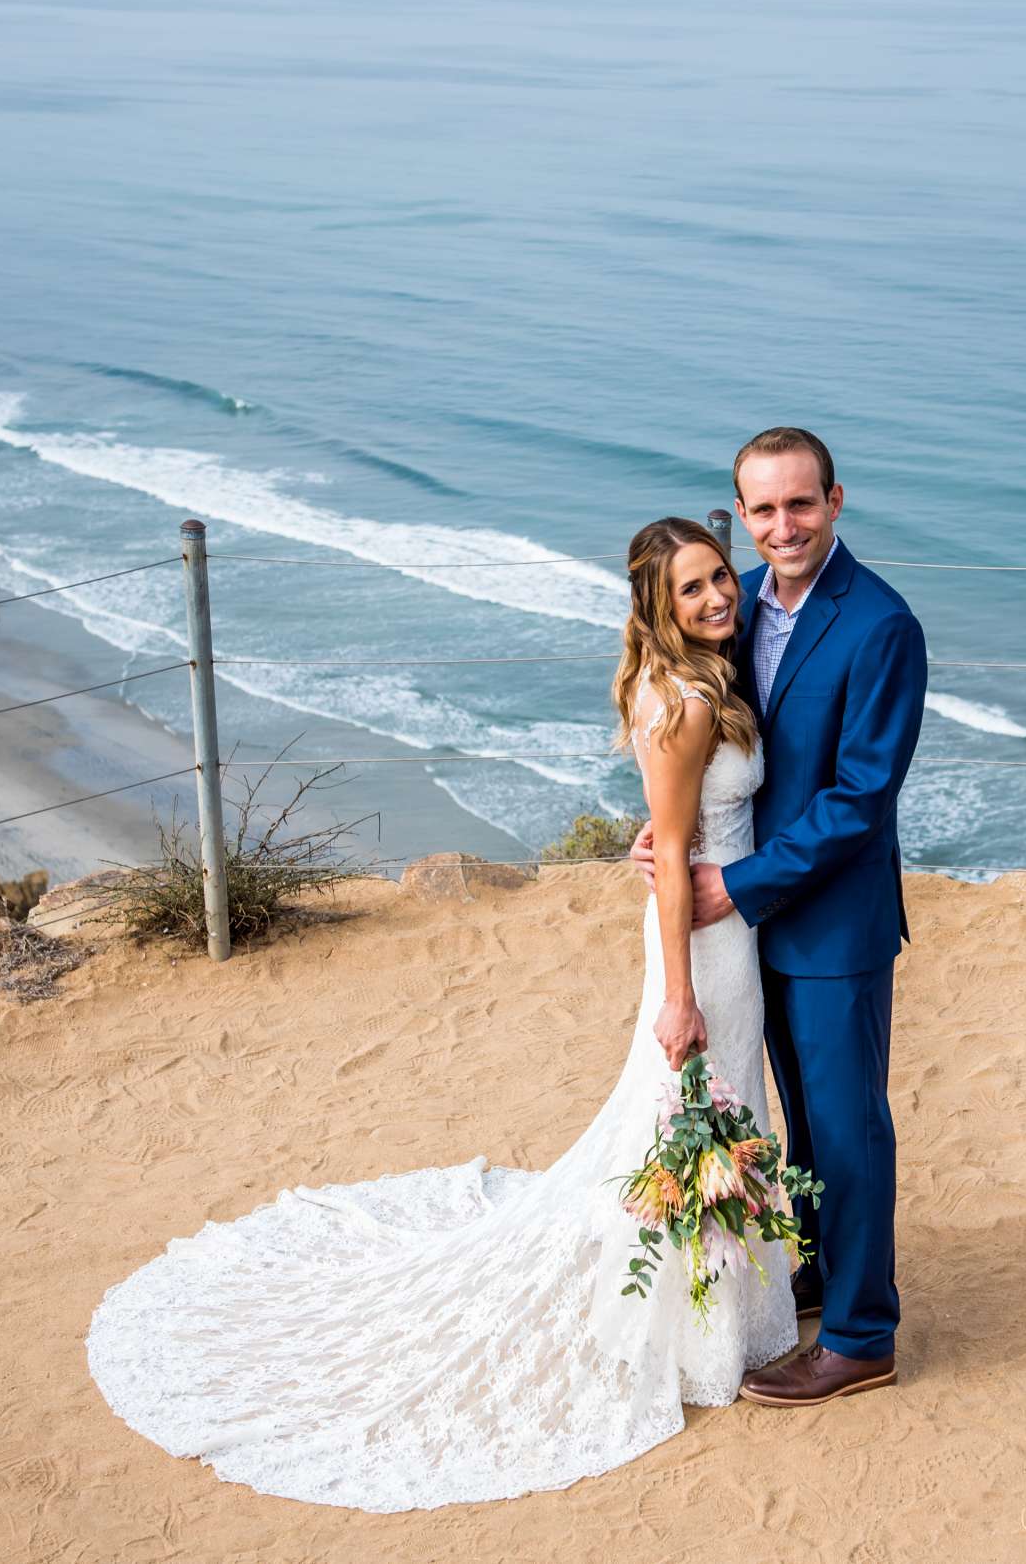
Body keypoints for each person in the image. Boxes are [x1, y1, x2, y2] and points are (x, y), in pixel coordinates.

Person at [84, 516, 796, 1510]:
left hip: (728, 930)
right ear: (656, 607)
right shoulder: (679, 702)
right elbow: (672, 860)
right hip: (703, 943)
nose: (720, 597)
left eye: (723, 577)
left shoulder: (694, 681)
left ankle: (720, 1305)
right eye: (694, 588)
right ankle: (696, 1332)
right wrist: (678, 993)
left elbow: (679, 826)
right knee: (693, 1110)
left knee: (712, 1116)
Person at [633, 425, 928, 1406]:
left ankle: (859, 1336)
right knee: (798, 1121)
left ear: (836, 502)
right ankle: (818, 1270)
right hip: (750, 929)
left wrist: (740, 881)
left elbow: (860, 797)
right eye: (762, 509)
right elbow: (700, 737)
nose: (781, 526)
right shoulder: (739, 599)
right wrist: (662, 832)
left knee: (848, 1130)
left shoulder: (882, 624)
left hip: (832, 925)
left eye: (800, 504)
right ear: (742, 513)